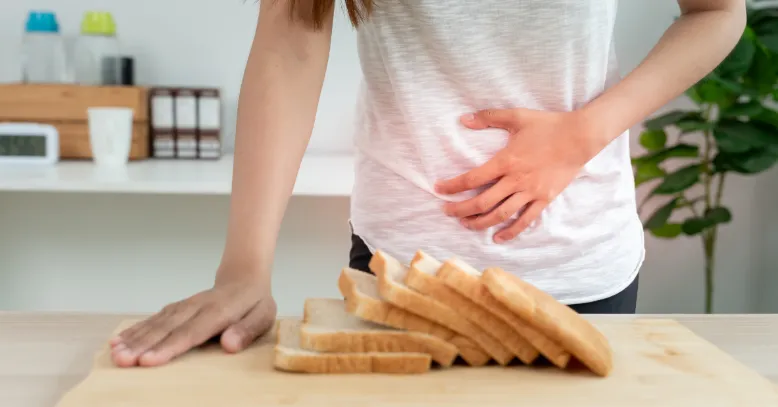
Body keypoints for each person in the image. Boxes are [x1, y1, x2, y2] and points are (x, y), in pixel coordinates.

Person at [109, 0, 746, 367]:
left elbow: (718, 12)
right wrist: (244, 269)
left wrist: (583, 133)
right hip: (400, 280)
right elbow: (293, 31)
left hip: (579, 270)